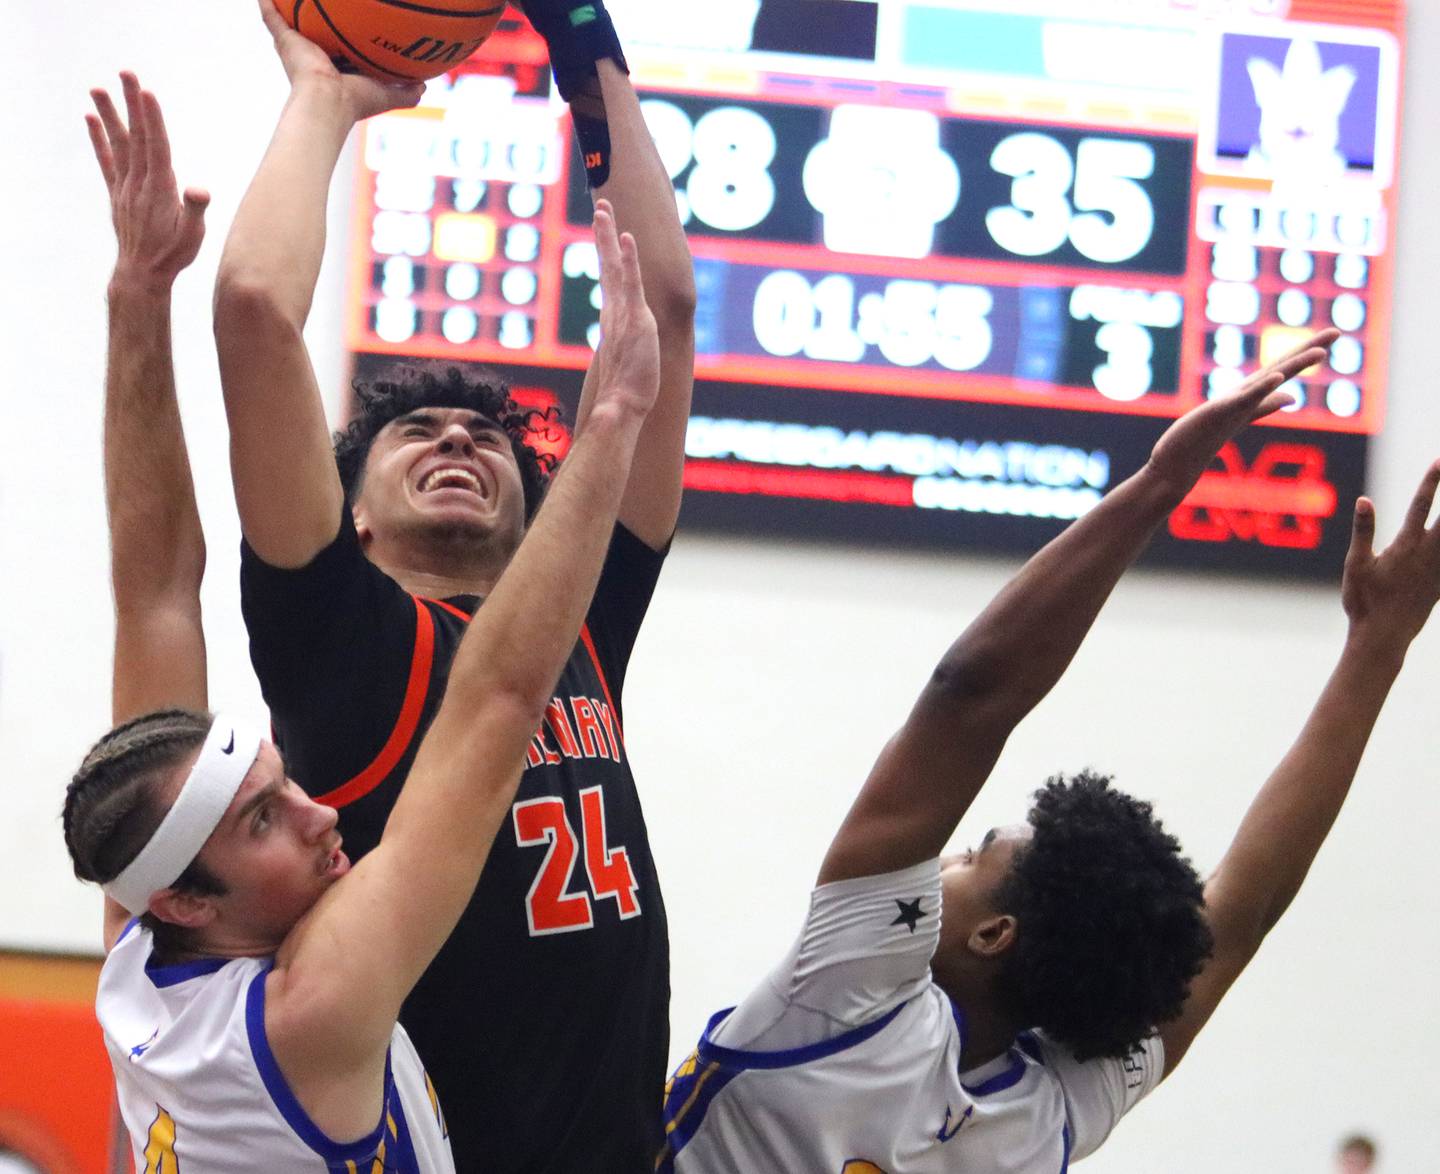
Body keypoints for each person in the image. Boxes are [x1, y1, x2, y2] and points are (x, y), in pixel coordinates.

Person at [660, 328, 1440, 1173]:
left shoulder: (855, 995)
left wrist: (1158, 485)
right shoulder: (1059, 1110)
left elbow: (969, 696)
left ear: (994, 934)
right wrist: (1377, 651)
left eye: (972, 856)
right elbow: (1238, 922)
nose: (947, 858)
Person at [70, 71, 661, 1170]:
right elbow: (492, 705)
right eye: (263, 822)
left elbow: (153, 586)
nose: (315, 809)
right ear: (192, 901)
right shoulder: (313, 1006)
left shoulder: (144, 940)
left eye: (273, 783)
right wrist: (612, 421)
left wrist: (137, 292)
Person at [212, 0, 695, 1166]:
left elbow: (667, 313)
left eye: (486, 436)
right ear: (354, 517)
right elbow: (254, 313)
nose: (461, 442)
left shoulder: (575, 616)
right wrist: (324, 101)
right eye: (417, 430)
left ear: (541, 517)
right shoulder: (337, 633)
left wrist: (589, 52)